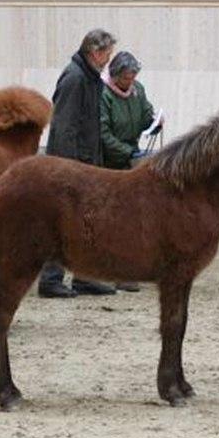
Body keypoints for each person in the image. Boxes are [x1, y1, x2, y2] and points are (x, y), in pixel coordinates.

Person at [38, 28, 118, 299]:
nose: (109, 59)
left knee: (86, 222)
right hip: (73, 167)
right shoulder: (75, 79)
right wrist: (67, 170)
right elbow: (64, 127)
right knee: (63, 223)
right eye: (107, 54)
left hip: (85, 164)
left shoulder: (89, 77)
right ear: (95, 52)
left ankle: (84, 277)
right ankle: (50, 279)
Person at [99, 51, 162, 292]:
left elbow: (146, 114)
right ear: (116, 76)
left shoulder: (138, 89)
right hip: (108, 161)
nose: (131, 80)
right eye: (127, 77)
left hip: (131, 156)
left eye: (134, 76)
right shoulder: (103, 95)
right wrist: (127, 152)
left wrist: (155, 121)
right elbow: (103, 134)